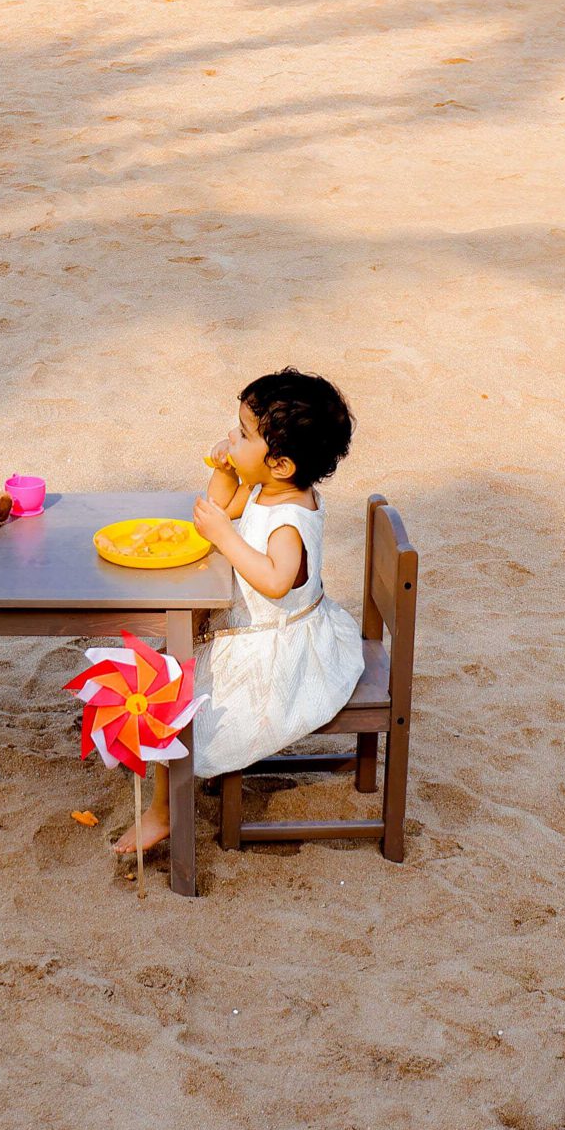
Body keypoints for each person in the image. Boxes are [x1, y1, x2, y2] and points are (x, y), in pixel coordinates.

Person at [109, 367, 367, 857]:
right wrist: (227, 465)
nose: (232, 437)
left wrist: (226, 538)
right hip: (250, 631)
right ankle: (168, 790)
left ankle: (162, 812)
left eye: (243, 434)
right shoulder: (270, 489)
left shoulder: (289, 519)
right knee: (166, 674)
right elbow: (216, 506)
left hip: (279, 650)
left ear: (282, 464)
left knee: (175, 704)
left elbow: (275, 577)